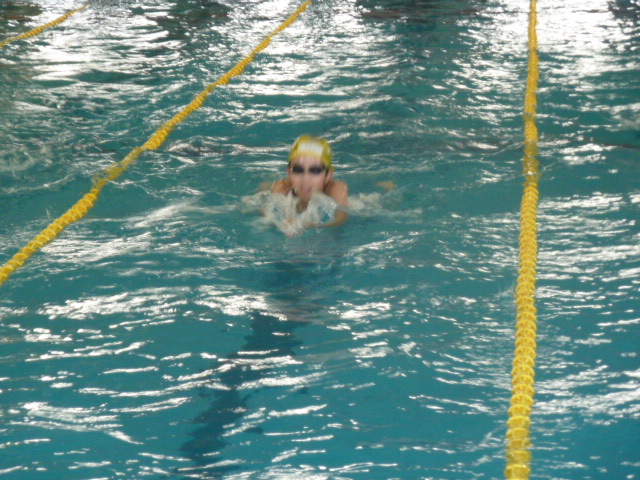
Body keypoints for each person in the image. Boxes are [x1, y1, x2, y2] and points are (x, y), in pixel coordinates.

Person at [271, 135, 348, 228]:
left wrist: (306, 225)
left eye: (315, 171)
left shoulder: (336, 188)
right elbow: (270, 217)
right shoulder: (282, 188)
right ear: (289, 172)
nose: (305, 179)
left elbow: (340, 219)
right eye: (298, 170)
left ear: (328, 175)